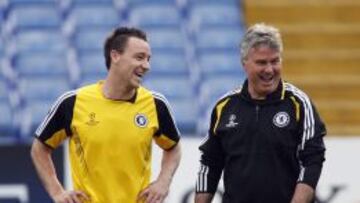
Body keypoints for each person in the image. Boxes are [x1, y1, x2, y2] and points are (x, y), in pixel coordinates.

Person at [30, 27, 181, 203]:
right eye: (139, 57)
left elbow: (174, 148)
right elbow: (39, 148)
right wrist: (57, 192)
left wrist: (163, 182)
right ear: (115, 56)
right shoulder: (73, 102)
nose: (146, 66)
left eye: (148, 59)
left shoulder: (156, 104)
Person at [195, 23, 326, 203]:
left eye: (275, 61)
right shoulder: (224, 106)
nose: (269, 70)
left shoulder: (299, 103)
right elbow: (210, 163)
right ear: (244, 64)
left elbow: (312, 161)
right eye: (261, 62)